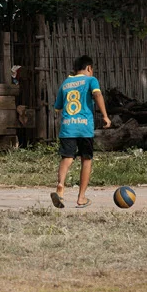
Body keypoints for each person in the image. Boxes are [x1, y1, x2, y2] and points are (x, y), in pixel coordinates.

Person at [51, 55, 110, 208]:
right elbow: (97, 94)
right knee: (86, 159)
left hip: (68, 127)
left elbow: (57, 107)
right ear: (89, 68)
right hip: (84, 128)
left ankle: (60, 186)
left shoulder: (65, 83)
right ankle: (81, 197)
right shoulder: (91, 80)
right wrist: (105, 115)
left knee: (67, 158)